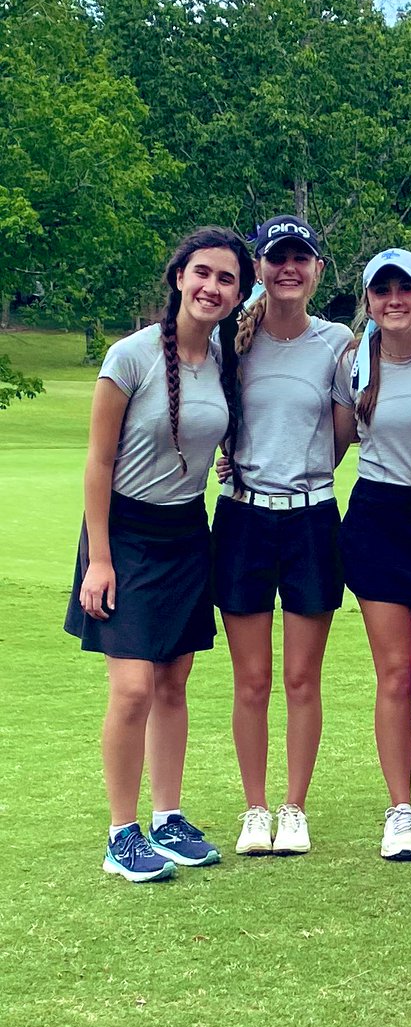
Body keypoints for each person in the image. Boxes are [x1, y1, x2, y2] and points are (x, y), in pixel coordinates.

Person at [64, 227, 254, 882]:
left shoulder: (224, 359)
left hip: (186, 534)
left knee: (174, 684)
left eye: (227, 279)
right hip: (125, 535)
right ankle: (122, 833)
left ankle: (168, 819)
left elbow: (207, 431)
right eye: (203, 272)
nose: (212, 287)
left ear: (237, 294)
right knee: (134, 687)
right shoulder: (131, 357)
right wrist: (100, 557)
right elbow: (99, 460)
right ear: (179, 276)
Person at [213, 215, 352, 858]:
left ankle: (293, 808)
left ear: (318, 270)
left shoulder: (338, 342)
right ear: (260, 269)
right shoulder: (229, 340)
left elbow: (343, 430)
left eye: (301, 258)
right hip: (242, 517)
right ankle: (255, 808)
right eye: (277, 258)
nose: (288, 268)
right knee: (252, 681)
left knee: (302, 678)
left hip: (311, 517)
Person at [332, 248, 411, 862]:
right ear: (369, 299)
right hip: (379, 522)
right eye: (381, 290)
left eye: (404, 288)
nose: (394, 300)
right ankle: (399, 809)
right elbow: (325, 442)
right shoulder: (354, 363)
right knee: (396, 677)